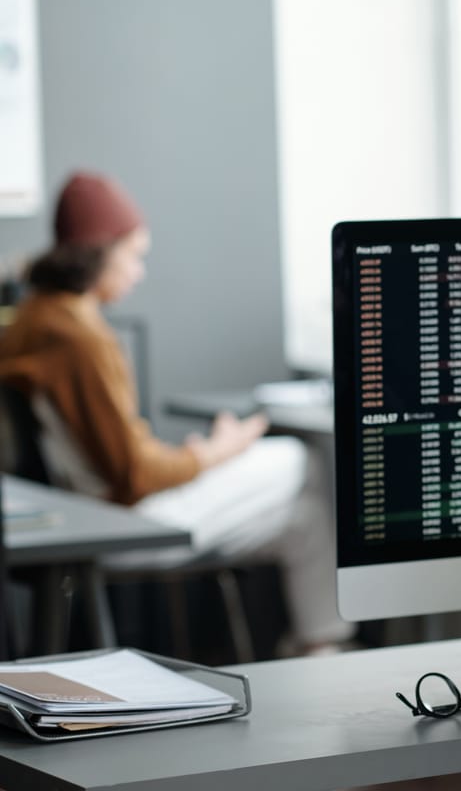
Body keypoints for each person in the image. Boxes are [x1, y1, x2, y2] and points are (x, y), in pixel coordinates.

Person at [0, 171, 354, 655]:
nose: (139, 271)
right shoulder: (80, 337)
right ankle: (321, 649)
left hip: (85, 509)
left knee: (305, 519)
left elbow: (117, 451)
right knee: (297, 458)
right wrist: (215, 452)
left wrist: (195, 454)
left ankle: (319, 650)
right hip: (126, 521)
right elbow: (136, 473)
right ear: (100, 251)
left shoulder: (33, 318)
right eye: (134, 255)